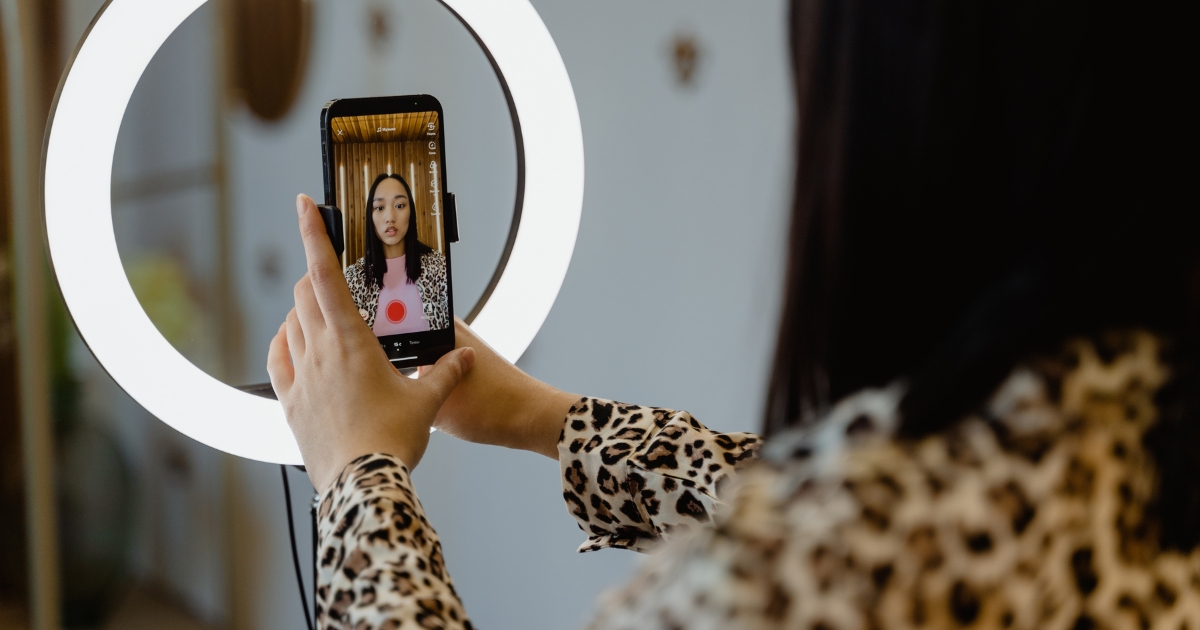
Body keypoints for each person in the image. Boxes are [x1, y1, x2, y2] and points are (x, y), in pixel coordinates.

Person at [268, 0, 1192, 627]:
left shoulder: (813, 567)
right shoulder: (1140, 430)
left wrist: (358, 479)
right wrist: (541, 417)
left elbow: (834, 526)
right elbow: (794, 488)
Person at [343, 173, 449, 334]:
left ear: (411, 211)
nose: (390, 218)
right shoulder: (353, 278)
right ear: (370, 216)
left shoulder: (438, 267)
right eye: (379, 208)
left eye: (399, 206)